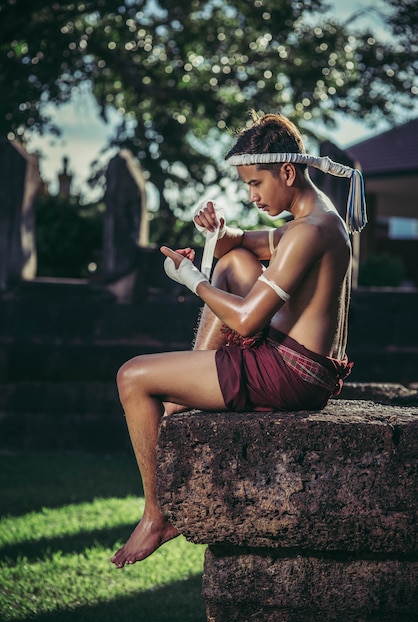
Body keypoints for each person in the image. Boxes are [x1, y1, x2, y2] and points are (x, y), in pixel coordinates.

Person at [110, 112, 366, 569]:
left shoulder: (310, 232)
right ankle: (184, 396)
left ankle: (157, 514)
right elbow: (239, 245)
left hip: (291, 371)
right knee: (232, 263)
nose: (251, 195)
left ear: (287, 172)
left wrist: (191, 279)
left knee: (132, 376)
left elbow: (247, 323)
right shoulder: (311, 218)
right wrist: (217, 232)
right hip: (300, 362)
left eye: (255, 183)